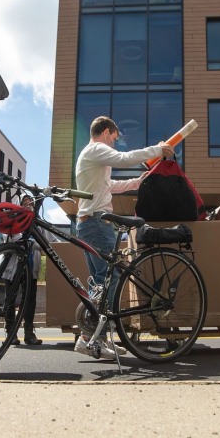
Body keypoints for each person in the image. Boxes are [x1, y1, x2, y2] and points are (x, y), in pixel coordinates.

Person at [73, 115, 174, 359]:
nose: (114, 144)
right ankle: (89, 337)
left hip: (89, 224)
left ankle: (97, 338)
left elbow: (110, 186)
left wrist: (137, 182)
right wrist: (158, 150)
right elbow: (125, 158)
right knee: (113, 278)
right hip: (97, 223)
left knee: (101, 282)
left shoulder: (93, 158)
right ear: (106, 132)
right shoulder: (96, 149)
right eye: (114, 139)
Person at [2, 196, 43, 345]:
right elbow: (15, 239)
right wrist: (36, 243)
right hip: (13, 266)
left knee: (30, 301)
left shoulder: (37, 223)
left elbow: (50, 242)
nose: (29, 206)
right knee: (10, 300)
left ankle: (29, 333)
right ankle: (10, 333)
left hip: (30, 267)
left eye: (31, 203)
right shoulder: (13, 220)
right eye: (25, 203)